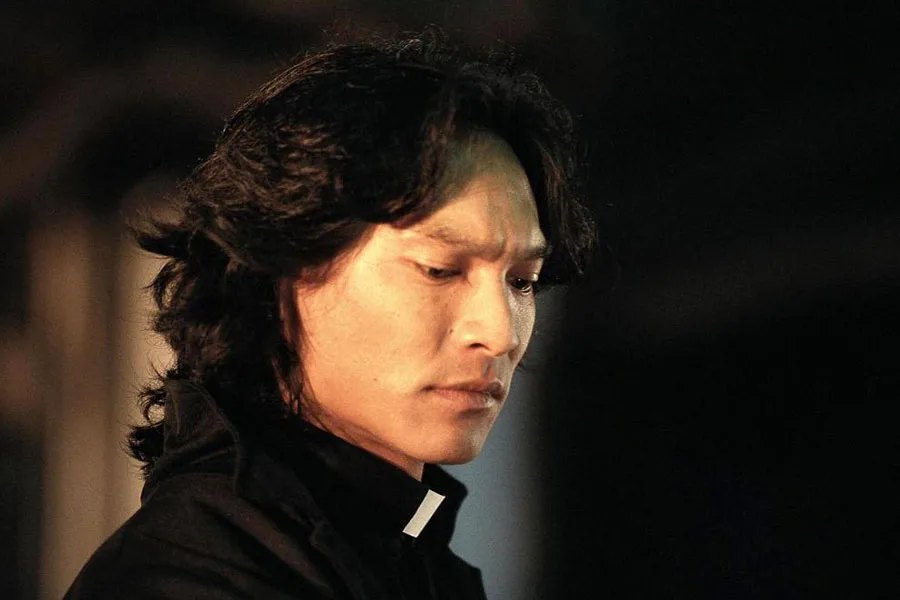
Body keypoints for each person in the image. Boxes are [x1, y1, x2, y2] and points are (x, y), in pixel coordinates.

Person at [64, 29, 596, 600]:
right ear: (280, 272)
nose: (500, 332)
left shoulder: (402, 557)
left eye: (522, 282)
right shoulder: (194, 576)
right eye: (440, 269)